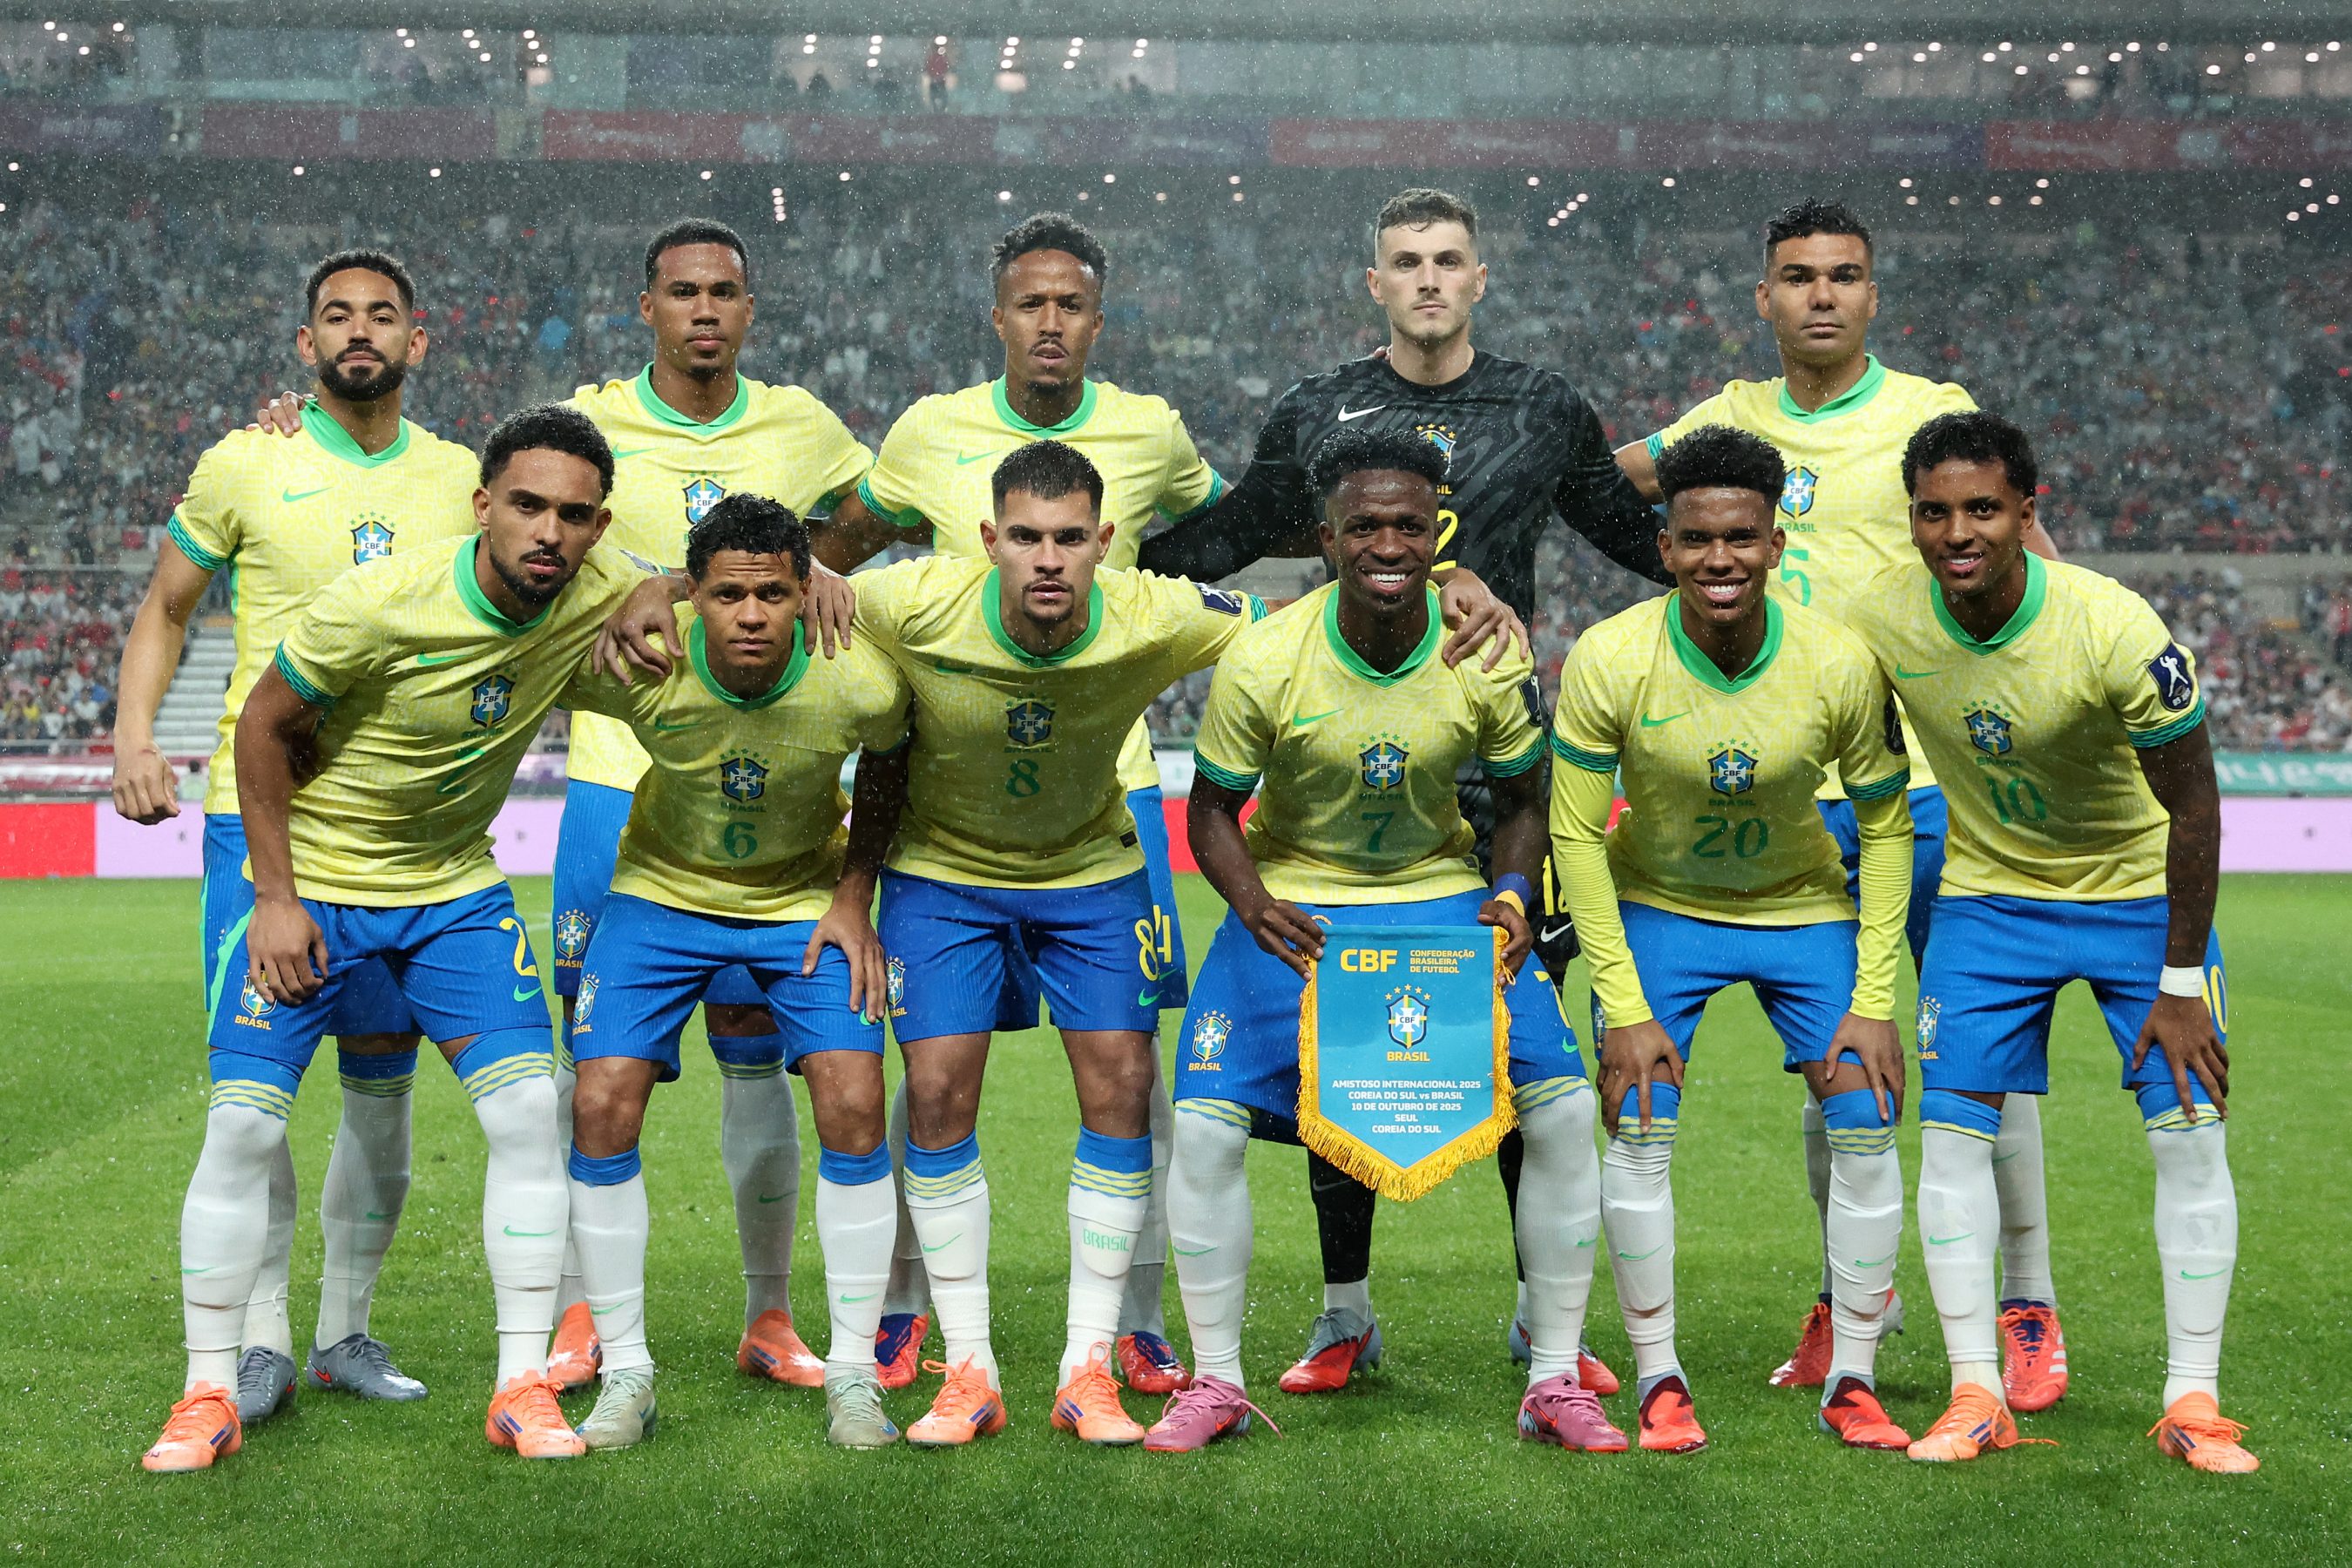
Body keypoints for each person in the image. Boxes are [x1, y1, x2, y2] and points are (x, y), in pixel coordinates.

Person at [254, 220, 870, 1393]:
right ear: (645, 306)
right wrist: (300, 417)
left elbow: (882, 505)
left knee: (757, 1058)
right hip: (613, 783)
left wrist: (819, 560)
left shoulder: (804, 425)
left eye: (725, 291)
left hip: (763, 793)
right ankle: (584, 1314)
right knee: (599, 1082)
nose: (703, 309)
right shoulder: (585, 419)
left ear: (752, 308)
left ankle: (770, 1315)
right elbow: (447, 473)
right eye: (681, 291)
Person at [1139, 186, 1657, 1394]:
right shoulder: (1319, 412)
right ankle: (1344, 1312)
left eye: (1449, 260)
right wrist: (1088, 557)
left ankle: (1546, 1323)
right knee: (1341, 1055)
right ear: (1374, 282)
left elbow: (1641, 539)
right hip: (1355, 779)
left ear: (1482, 278)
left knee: (1528, 1078)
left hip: (1497, 776)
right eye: (1406, 262)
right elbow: (1234, 532)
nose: (1429, 278)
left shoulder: (1544, 406)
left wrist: (1797, 551)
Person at [1619, 199, 2072, 1404]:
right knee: (1839, 1074)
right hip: (1789, 800)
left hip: (1934, 790)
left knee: (1985, 1059)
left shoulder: (1933, 414)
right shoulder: (1722, 418)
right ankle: (1848, 1303)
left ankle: (2029, 1308)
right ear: (1761, 298)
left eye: (1845, 276)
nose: (1821, 294)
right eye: (1797, 277)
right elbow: (1599, 487)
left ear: (1876, 296)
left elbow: (2031, 565)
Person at [141, 405, 644, 1471]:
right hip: (315, 887)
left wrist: (686, 585)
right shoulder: (381, 599)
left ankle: (519, 1385)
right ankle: (207, 1389)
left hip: (453, 893)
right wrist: (274, 898)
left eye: (573, 516)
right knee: (241, 1128)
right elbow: (261, 726)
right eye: (526, 507)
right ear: (482, 507)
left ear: (600, 528)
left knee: (525, 1108)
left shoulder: (600, 587)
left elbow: (716, 580)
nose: (549, 532)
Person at [808, 212, 1229, 1395]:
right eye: (1030, 304)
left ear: (1100, 317)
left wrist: (1427, 566)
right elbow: (835, 549)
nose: (1051, 322)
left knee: (1129, 1072)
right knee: (934, 1074)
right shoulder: (929, 432)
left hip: (1114, 790)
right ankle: (906, 1306)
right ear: (998, 318)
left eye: (1073, 305)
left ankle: (1134, 1322)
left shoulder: (1150, 433)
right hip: (949, 793)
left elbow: (1232, 532)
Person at [1156, 427, 1613, 1454]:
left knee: (1564, 1104)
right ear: (1327, 537)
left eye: (1410, 524)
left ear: (1437, 531)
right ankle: (1218, 1380)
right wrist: (1250, 903)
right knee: (1207, 1126)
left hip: (1443, 901)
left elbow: (1521, 797)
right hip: (1300, 909)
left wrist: (1508, 892)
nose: (1388, 543)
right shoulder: (1269, 654)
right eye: (1365, 525)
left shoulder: (1484, 652)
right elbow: (1214, 812)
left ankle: (1553, 1373)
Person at [113, 249, 476, 1426]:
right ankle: (258, 1340)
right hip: (257, 821)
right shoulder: (246, 461)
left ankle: (344, 1334)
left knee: (382, 1095)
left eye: (382, 316)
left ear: (418, 344)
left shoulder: (466, 480)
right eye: (336, 315)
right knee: (255, 1096)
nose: (358, 331)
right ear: (303, 344)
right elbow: (166, 606)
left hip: (400, 833)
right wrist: (135, 734)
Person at [1849, 411, 2252, 1473]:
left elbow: (2199, 806)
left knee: (2189, 1134)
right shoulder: (1886, 615)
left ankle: (2193, 1401)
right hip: (1989, 902)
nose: (1957, 532)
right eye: (1934, 513)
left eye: (1982, 508)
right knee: (1951, 1142)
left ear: (2029, 512)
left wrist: (2178, 980)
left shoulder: (2111, 626)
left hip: (2138, 900)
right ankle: (1977, 1392)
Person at [853, 440, 1262, 1448]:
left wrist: (1448, 590)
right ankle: (973, 1369)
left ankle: (1086, 1368)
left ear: (1104, 544)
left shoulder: (1155, 612)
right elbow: (783, 585)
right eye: (1026, 538)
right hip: (942, 875)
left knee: (1123, 1086)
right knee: (940, 1092)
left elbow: (1294, 629)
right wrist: (666, 592)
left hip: (1091, 873)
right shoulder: (913, 603)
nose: (1047, 558)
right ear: (988, 540)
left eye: (1070, 539)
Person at [1550, 425, 1914, 1455]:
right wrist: (1622, 1005)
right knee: (1638, 1125)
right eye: (1698, 539)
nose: (1721, 559)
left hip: (1805, 911)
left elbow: (1884, 827)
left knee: (1866, 1119)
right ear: (1664, 546)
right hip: (1661, 910)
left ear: (1775, 544)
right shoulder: (1612, 658)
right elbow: (1576, 834)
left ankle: (1853, 1374)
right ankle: (1660, 1374)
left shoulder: (1840, 662)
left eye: (1742, 538)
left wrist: (1874, 994)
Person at [556, 496, 912, 1450]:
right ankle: (626, 1371)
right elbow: (533, 617)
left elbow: (891, 763)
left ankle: (853, 1376)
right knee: (599, 1103)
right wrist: (644, 587)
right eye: (725, 595)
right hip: (660, 896)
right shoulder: (645, 661)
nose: (750, 614)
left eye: (771, 593)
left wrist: (853, 892)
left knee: (853, 1098)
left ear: (807, 594)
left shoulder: (857, 680)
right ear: (692, 597)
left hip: (799, 904)